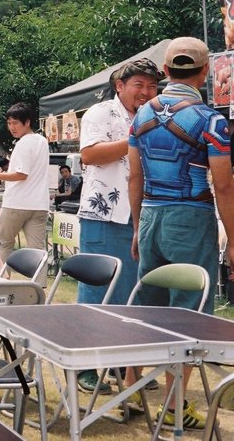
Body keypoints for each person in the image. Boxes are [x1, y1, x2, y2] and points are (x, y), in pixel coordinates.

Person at [129, 38, 234, 429]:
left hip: (152, 217)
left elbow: (135, 177)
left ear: (166, 72)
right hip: (190, 220)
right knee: (188, 314)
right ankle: (174, 406)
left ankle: (131, 390)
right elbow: (223, 186)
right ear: (206, 72)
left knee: (147, 310)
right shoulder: (211, 121)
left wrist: (138, 227)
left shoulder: (140, 116)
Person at [74, 57, 162, 393]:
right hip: (104, 214)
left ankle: (123, 364)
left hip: (143, 216)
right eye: (139, 84)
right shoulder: (100, 113)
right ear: (120, 86)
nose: (146, 91)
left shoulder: (157, 115)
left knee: (131, 294)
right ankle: (84, 364)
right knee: (97, 290)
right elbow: (90, 155)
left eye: (152, 86)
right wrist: (137, 137)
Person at [0, 102, 49, 269]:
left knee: (4, 244)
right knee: (38, 250)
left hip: (16, 203)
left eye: (15, 123)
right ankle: (38, 290)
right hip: (39, 205)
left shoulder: (23, 143)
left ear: (27, 122)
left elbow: (21, 175)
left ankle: (1, 285)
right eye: (9, 123)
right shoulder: (42, 141)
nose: (11, 127)